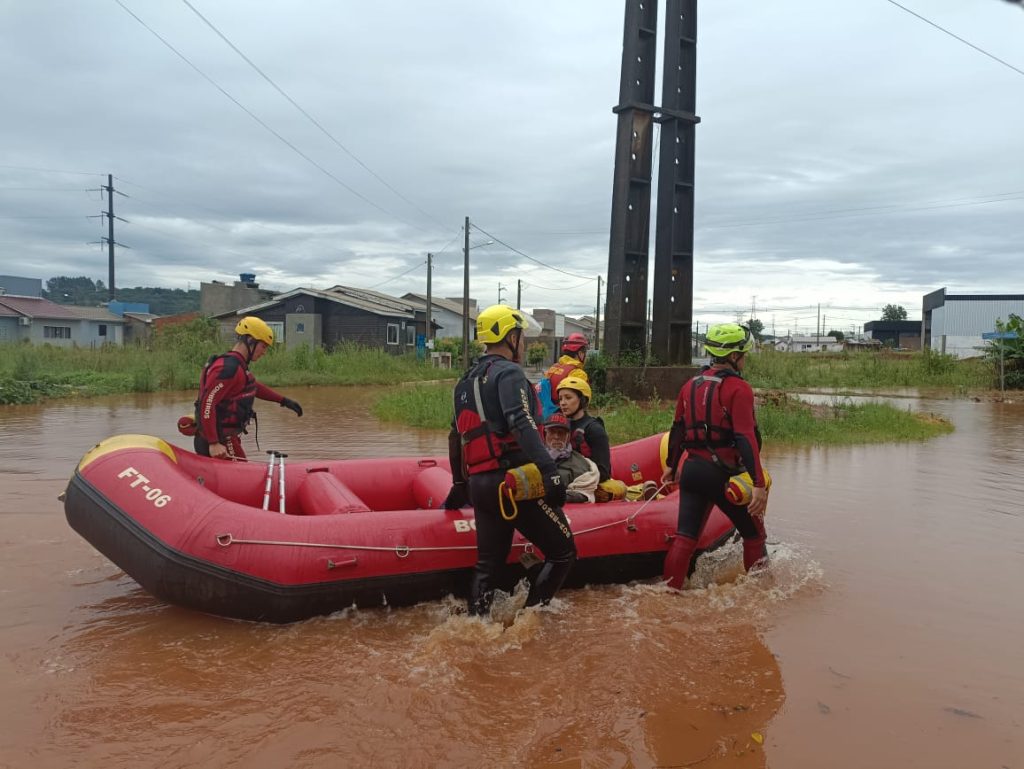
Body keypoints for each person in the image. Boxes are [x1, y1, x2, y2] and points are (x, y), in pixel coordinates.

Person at [444, 304, 577, 615]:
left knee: (487, 565)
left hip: (481, 485)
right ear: (510, 337)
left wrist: (459, 483)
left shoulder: (464, 382)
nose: (524, 342)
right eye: (521, 336)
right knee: (563, 552)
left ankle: (477, 626)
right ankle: (527, 624)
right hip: (512, 484)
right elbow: (520, 421)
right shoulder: (509, 373)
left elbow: (456, 437)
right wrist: (549, 472)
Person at [660, 323, 768, 589]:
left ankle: (666, 596)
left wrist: (671, 467)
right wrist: (758, 484)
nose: (744, 359)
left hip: (692, 471)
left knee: (685, 538)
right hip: (723, 475)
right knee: (754, 536)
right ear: (733, 357)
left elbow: (678, 430)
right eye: (743, 354)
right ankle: (763, 596)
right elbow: (745, 437)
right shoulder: (739, 389)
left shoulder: (689, 386)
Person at [193, 316, 303, 460]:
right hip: (220, 440)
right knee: (242, 478)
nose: (264, 352)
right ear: (250, 340)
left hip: (225, 437)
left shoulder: (238, 366)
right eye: (263, 346)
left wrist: (283, 400)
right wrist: (214, 443)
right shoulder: (228, 368)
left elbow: (252, 386)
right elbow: (207, 403)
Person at [557, 375, 612, 484]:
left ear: (582, 400)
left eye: (568, 398)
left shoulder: (594, 429)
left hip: (585, 482)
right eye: (560, 398)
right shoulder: (560, 426)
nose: (563, 403)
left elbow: (604, 472)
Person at [544, 413, 600, 503]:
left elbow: (585, 493)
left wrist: (562, 496)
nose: (556, 436)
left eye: (561, 433)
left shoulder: (581, 464)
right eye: (552, 432)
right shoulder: (533, 458)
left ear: (568, 436)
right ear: (545, 435)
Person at [536, 332, 589, 420]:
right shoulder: (578, 373)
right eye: (585, 352)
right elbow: (582, 402)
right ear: (580, 353)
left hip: (547, 416)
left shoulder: (553, 368)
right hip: (567, 418)